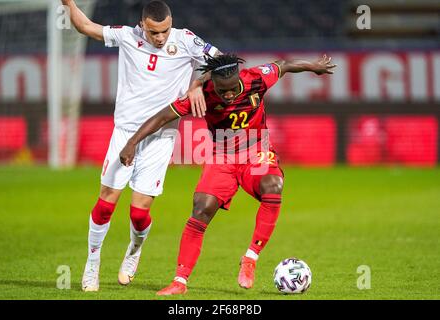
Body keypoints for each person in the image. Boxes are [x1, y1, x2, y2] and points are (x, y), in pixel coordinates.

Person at [119, 53, 336, 295]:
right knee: (201, 209)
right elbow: (162, 116)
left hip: (256, 151)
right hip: (221, 157)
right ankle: (179, 281)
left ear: (239, 79)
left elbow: (284, 65)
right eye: (223, 91)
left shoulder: (256, 78)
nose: (229, 94)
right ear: (214, 84)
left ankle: (250, 258)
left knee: (273, 186)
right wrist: (132, 143)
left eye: (233, 89)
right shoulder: (203, 95)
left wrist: (313, 66)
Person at [61, 0, 220, 291]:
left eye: (165, 31)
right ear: (142, 25)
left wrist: (197, 84)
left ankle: (134, 251)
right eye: (154, 32)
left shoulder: (185, 40)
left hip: (161, 138)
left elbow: (219, 60)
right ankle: (92, 265)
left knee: (138, 213)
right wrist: (69, 3)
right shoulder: (126, 36)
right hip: (124, 133)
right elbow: (85, 26)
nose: (160, 38)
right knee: (105, 204)